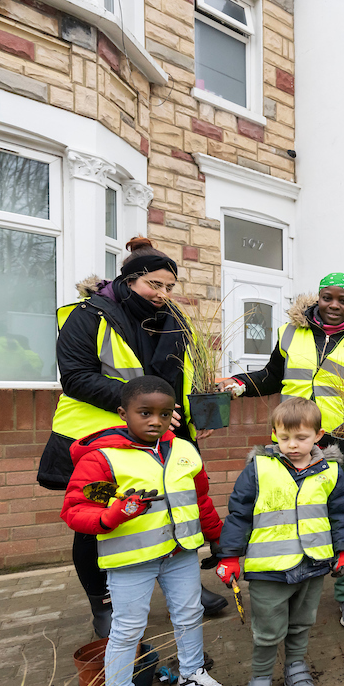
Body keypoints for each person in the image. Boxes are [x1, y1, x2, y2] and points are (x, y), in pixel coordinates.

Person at [40, 236, 226, 638]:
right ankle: (102, 602)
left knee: (174, 508)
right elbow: (75, 377)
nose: (162, 294)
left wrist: (194, 417)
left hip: (163, 436)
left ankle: (185, 586)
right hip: (99, 440)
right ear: (129, 280)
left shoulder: (174, 319)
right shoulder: (89, 315)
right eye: (153, 285)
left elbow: (183, 375)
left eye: (169, 287)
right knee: (99, 520)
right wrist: (140, 406)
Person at [220, 273, 344, 629]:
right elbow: (272, 375)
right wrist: (237, 384)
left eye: (343, 300)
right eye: (327, 298)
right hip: (293, 444)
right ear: (318, 298)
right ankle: (293, 588)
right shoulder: (291, 333)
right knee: (290, 516)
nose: (334, 306)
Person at [60, 376, 226, 686]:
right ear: (123, 413)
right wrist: (112, 516)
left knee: (188, 614)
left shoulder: (184, 450)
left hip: (180, 553)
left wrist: (219, 539)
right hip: (131, 561)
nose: (156, 421)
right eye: (145, 413)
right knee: (127, 630)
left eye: (165, 414)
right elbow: (75, 510)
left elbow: (200, 502)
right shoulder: (103, 458)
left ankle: (191, 675)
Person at [214, 398, 344, 686]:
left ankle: (295, 667)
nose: (292, 445)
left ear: (319, 436)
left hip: (313, 563)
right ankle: (260, 681)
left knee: (302, 622)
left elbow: (342, 514)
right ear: (274, 433)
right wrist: (230, 557)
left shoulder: (331, 471)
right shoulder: (259, 467)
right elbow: (239, 514)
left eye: (301, 438)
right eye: (284, 437)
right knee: (267, 629)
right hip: (269, 568)